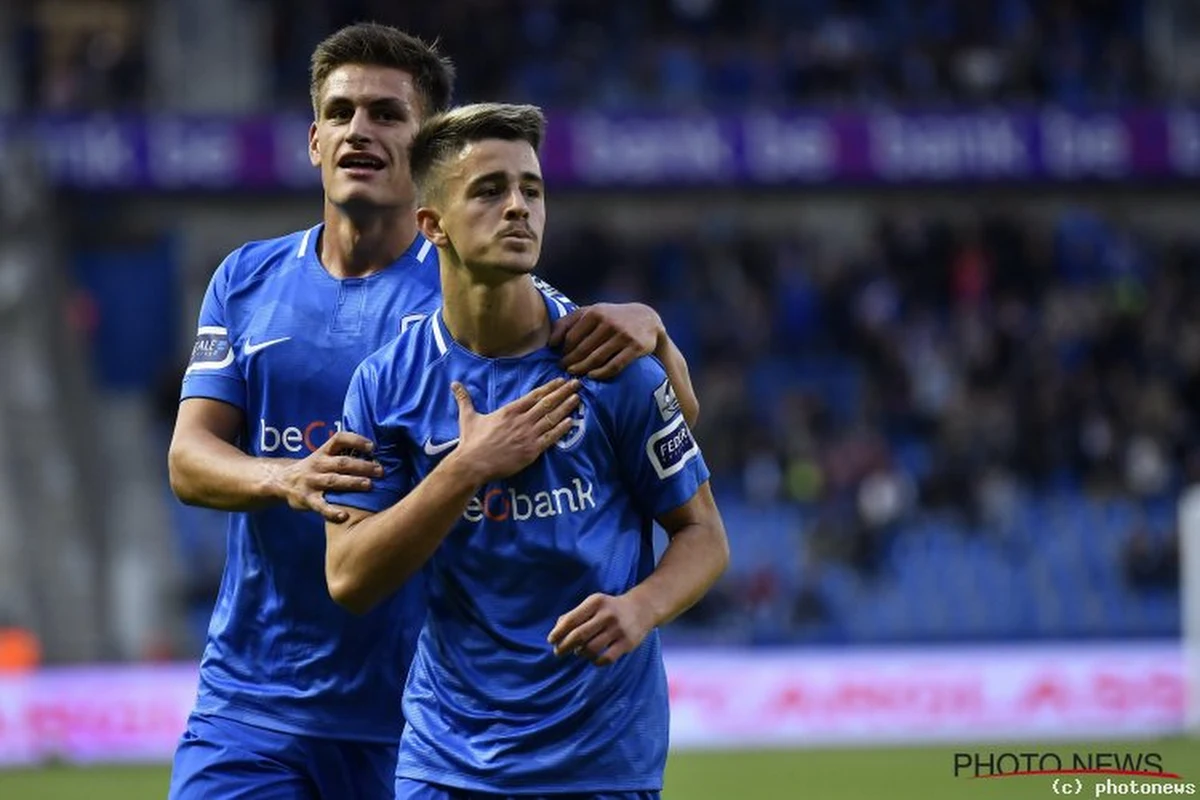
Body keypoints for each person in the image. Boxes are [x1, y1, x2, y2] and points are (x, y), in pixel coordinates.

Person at [167, 23, 700, 800]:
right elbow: (188, 458)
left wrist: (656, 330)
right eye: (342, 112)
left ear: (426, 157)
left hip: (416, 718)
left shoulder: (473, 290)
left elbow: (661, 425)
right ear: (313, 140)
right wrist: (286, 478)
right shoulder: (245, 280)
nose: (360, 130)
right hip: (254, 697)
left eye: (387, 114)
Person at [323, 103, 730, 799]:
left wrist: (641, 608)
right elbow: (349, 579)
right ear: (433, 225)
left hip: (598, 764)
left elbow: (705, 536)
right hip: (447, 762)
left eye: (531, 190)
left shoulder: (611, 362)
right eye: (489, 190)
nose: (518, 208)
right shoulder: (385, 385)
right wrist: (469, 467)